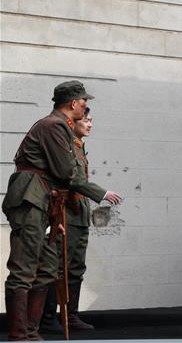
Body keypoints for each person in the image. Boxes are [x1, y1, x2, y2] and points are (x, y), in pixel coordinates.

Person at [3, 81, 122, 341]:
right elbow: (67, 173)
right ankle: (19, 334)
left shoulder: (63, 128)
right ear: (73, 104)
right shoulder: (53, 126)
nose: (86, 109)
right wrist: (100, 193)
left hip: (44, 201)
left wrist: (54, 214)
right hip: (30, 200)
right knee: (24, 269)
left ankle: (32, 332)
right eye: (84, 104)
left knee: (46, 268)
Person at [41, 106, 115, 333]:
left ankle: (69, 316)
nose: (90, 124)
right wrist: (102, 193)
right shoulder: (64, 146)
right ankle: (48, 318)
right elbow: (70, 178)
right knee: (59, 266)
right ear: (73, 123)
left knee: (75, 267)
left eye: (91, 120)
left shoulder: (80, 146)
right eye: (87, 120)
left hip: (78, 210)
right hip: (65, 209)